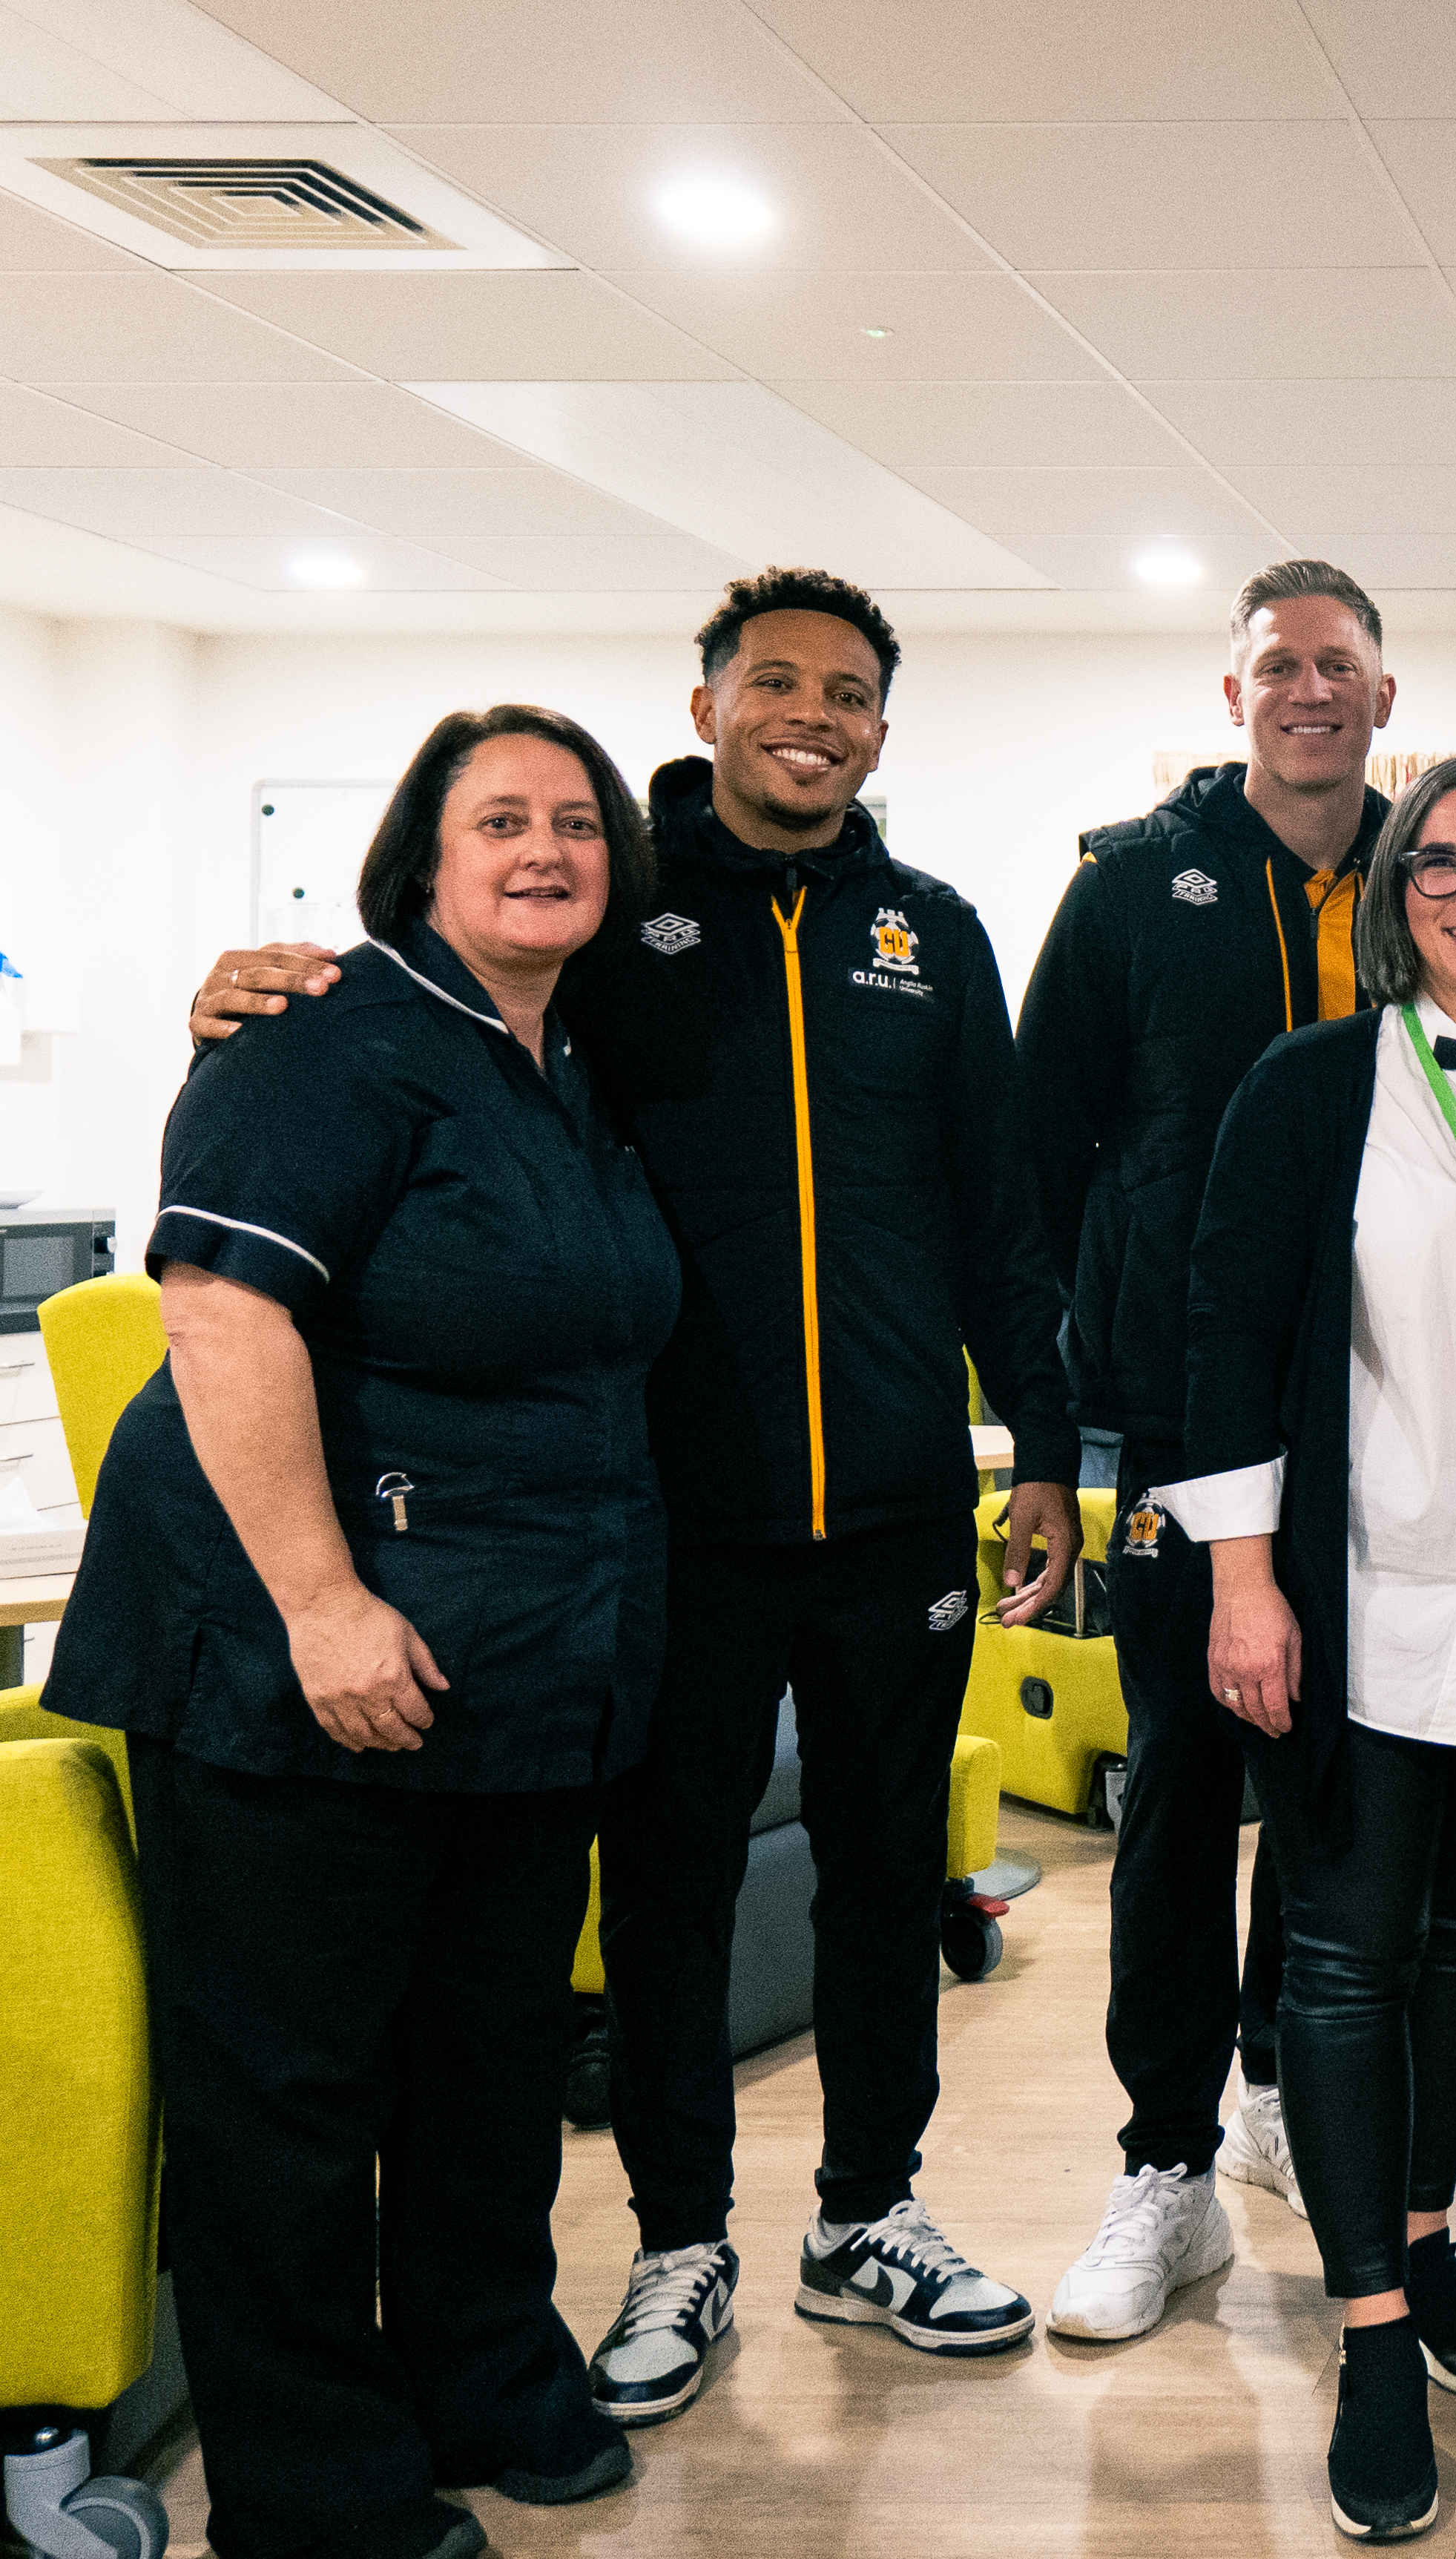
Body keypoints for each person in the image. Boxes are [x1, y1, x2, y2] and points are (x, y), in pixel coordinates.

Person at [189, 567, 1085, 2421]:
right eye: (776, 683)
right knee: (665, 1890)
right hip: (661, 1516)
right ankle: (685, 2240)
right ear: (708, 709)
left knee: (883, 1874)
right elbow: (441, 1012)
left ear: (880, 731)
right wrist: (255, 988)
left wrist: (1049, 1452)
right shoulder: (614, 920)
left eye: (846, 692)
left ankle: (871, 2216)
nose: (810, 715)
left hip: (902, 1505)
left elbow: (1000, 1223)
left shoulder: (935, 934)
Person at [57, 708, 678, 2559]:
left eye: (577, 822)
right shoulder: (318, 1036)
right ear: (424, 852)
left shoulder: (565, 1060)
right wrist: (323, 1608)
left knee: (485, 2064)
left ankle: (483, 2377)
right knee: (296, 2093)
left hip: (513, 1667)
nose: (547, 849)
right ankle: (316, 2486)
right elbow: (221, 1320)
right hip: (292, 1672)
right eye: (504, 820)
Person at [1158, 757, 1456, 2543]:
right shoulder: (1314, 1085)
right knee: (1344, 1961)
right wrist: (1243, 1583)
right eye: (1439, 861)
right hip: (1360, 1588)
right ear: (1394, 891)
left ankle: (1427, 2257)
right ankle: (1368, 2339)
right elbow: (1226, 1330)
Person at [1021, 559, 1397, 2341]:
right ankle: (1161, 2163)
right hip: (1180, 1428)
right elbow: (1044, 1158)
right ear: (1232, 693)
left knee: (1326, 1783)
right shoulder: (1127, 893)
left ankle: (1264, 2084)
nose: (1309, 690)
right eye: (1278, 666)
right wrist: (1050, 1427)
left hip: (1381, 1428)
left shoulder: (1438, 879)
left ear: (1382, 694)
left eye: (1338, 665)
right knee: (1182, 1785)